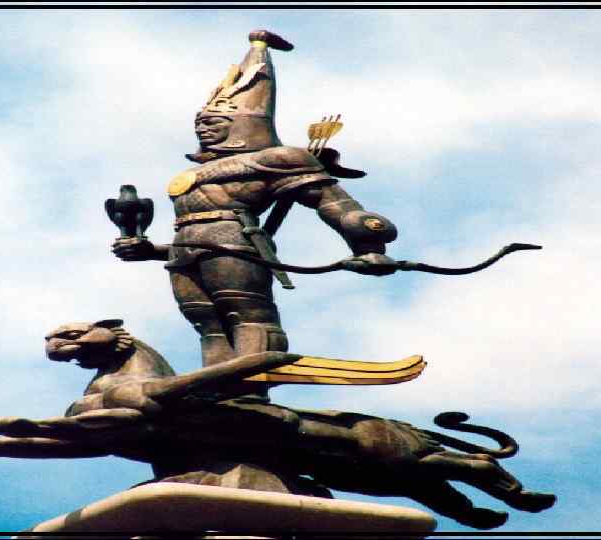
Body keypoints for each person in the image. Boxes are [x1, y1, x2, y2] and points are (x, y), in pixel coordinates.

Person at [112, 30, 397, 400]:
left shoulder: (279, 159)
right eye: (200, 123)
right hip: (184, 251)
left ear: (242, 124)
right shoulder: (193, 174)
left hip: (234, 242)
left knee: (247, 316)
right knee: (209, 324)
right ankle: (219, 392)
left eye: (213, 122)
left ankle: (252, 390)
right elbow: (198, 232)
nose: (202, 128)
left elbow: (335, 205)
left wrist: (367, 245)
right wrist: (149, 250)